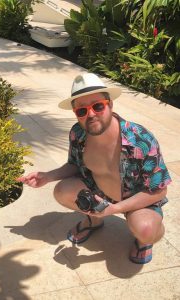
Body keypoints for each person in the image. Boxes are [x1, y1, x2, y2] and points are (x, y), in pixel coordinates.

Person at [17, 73, 172, 264]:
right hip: (100, 193)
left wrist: (115, 208)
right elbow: (74, 165)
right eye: (81, 110)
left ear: (110, 104)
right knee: (62, 191)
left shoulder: (140, 140)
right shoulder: (78, 133)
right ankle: (94, 221)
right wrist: (47, 176)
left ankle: (144, 242)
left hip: (138, 199)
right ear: (75, 113)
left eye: (98, 106)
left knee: (146, 230)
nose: (90, 114)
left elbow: (159, 190)